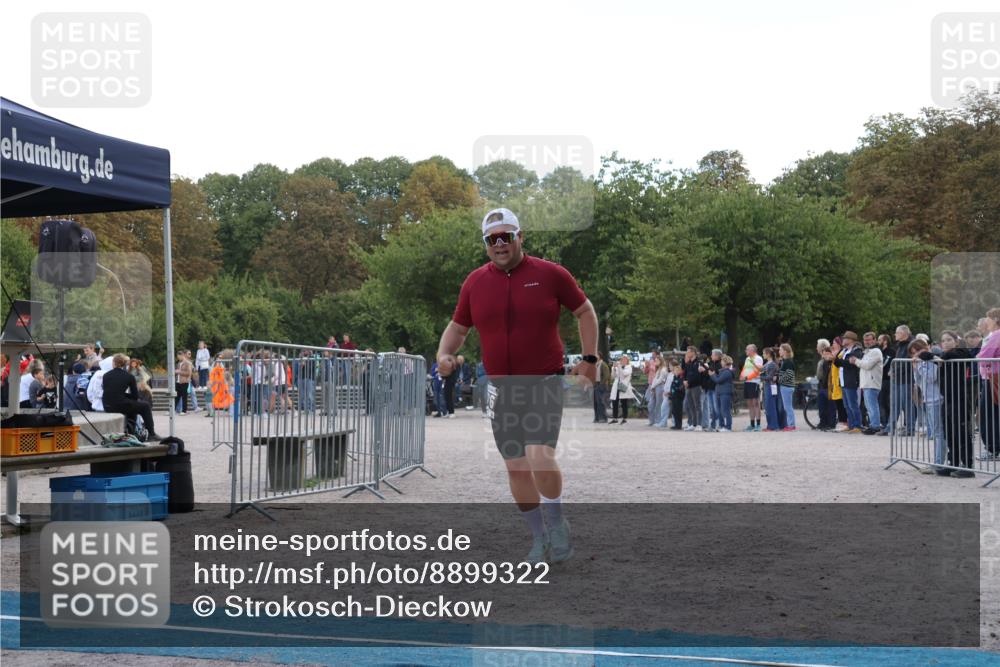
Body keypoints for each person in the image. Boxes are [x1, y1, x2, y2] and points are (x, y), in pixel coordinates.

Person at [435, 207, 598, 564]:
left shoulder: (551, 274)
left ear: (520, 237)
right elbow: (459, 327)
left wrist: (589, 361)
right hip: (499, 387)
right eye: (491, 239)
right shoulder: (475, 282)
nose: (499, 244)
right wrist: (444, 353)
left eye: (505, 236)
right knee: (516, 466)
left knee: (540, 457)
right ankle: (539, 539)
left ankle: (556, 524)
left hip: (543, 380)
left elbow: (585, 311)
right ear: (485, 244)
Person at [102, 354, 162, 441]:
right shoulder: (129, 376)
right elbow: (135, 396)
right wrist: (128, 397)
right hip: (119, 405)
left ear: (113, 363)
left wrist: (126, 397)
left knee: (131, 406)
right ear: (124, 364)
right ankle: (151, 434)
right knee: (145, 406)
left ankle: (131, 433)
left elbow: (111, 392)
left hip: (107, 405)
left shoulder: (106, 375)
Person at [910, 339, 946, 475]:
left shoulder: (931, 361)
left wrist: (920, 366)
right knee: (935, 432)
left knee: (938, 432)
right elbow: (919, 382)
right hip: (928, 399)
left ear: (926, 348)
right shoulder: (922, 363)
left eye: (918, 351)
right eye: (913, 353)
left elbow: (931, 378)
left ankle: (938, 463)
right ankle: (937, 461)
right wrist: (916, 369)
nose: (916, 355)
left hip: (937, 399)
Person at [882, 325, 916, 436]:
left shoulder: (911, 345)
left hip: (906, 379)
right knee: (895, 404)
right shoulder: (900, 345)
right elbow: (898, 362)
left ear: (904, 333)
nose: (895, 335)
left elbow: (908, 363)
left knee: (907, 405)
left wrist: (894, 371)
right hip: (898, 379)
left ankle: (910, 428)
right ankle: (889, 428)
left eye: (897, 332)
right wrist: (893, 370)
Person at [978, 308, 1000, 458]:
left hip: (994, 378)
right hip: (993, 377)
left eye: (989, 319)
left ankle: (993, 448)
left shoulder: (997, 335)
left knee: (989, 414)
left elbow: (984, 355)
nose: (987, 322)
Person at [832, 332, 863, 433]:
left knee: (853, 405)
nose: (843, 340)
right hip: (843, 381)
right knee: (846, 405)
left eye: (845, 338)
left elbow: (850, 364)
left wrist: (838, 360)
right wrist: (835, 359)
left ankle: (857, 425)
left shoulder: (856, 351)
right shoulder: (844, 350)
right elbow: (839, 363)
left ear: (850, 340)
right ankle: (851, 424)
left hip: (851, 381)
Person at [856, 332, 884, 435]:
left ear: (874, 340)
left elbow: (867, 366)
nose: (867, 342)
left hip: (872, 383)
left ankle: (875, 425)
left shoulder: (876, 351)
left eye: (869, 340)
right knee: (869, 406)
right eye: (865, 340)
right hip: (867, 383)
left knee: (872, 406)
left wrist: (856, 361)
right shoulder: (868, 352)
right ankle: (873, 424)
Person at [708, 355, 735, 432]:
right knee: (719, 410)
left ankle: (728, 427)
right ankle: (721, 425)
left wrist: (712, 375)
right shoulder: (722, 371)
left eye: (722, 361)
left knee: (725, 410)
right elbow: (717, 379)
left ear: (726, 362)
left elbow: (718, 380)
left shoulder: (727, 372)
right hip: (719, 392)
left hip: (725, 393)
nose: (721, 362)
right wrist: (714, 375)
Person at [740, 344, 763, 431]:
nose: (746, 351)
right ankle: (752, 424)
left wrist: (747, 377)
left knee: (756, 403)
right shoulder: (747, 358)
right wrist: (741, 375)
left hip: (754, 382)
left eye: (747, 349)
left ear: (752, 350)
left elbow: (757, 371)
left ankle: (758, 424)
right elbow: (745, 368)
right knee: (749, 404)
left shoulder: (758, 358)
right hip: (747, 383)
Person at [609, 353, 636, 424]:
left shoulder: (629, 367)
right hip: (616, 386)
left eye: (624, 360)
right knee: (614, 402)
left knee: (624, 402)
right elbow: (613, 376)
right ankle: (615, 418)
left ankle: (624, 418)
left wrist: (619, 367)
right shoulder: (618, 366)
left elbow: (624, 374)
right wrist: (614, 369)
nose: (623, 361)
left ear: (627, 361)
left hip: (623, 386)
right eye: (622, 359)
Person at [682, 347, 703, 431]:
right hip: (689, 387)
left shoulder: (698, 362)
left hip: (696, 386)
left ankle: (699, 424)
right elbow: (685, 374)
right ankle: (693, 424)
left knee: (697, 405)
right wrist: (684, 381)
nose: (687, 353)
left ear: (693, 352)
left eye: (688, 352)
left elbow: (697, 376)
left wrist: (688, 382)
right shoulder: (689, 363)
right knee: (690, 406)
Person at [760, 347, 782, 431]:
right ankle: (770, 425)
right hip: (767, 386)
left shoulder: (772, 364)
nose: (763, 355)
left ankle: (773, 425)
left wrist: (760, 377)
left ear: (768, 354)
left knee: (771, 406)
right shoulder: (768, 363)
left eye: (764, 353)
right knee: (767, 406)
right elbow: (761, 369)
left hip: (770, 386)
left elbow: (770, 377)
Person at [815, 340, 835, 431]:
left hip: (828, 386)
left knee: (829, 406)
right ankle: (823, 422)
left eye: (817, 346)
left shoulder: (828, 361)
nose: (816, 348)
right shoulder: (822, 361)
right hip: (822, 385)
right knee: (822, 406)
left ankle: (830, 423)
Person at [778, 343, 797, 431]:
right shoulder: (785, 361)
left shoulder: (788, 362)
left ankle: (791, 425)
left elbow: (789, 374)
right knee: (787, 406)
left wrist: (779, 380)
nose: (779, 351)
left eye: (780, 350)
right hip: (786, 386)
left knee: (788, 407)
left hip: (787, 387)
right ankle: (790, 424)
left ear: (785, 351)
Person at [647, 354, 668, 426]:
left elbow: (660, 380)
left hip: (660, 387)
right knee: (651, 405)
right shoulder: (658, 369)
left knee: (658, 404)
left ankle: (658, 420)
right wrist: (652, 387)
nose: (655, 362)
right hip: (655, 387)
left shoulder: (663, 369)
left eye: (656, 360)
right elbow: (655, 379)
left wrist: (653, 386)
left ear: (660, 361)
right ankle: (652, 420)